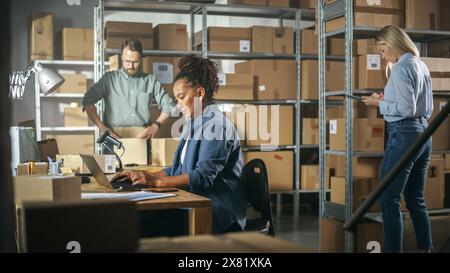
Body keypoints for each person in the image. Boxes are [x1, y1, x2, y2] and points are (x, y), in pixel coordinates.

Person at [112, 55, 247, 234]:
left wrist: (156, 182)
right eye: (176, 99)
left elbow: (203, 177)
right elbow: (177, 169)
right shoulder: (193, 123)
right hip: (193, 200)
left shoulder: (216, 126)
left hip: (216, 210)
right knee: (131, 218)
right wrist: (142, 175)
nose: (178, 105)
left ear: (200, 93)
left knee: (137, 223)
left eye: (181, 97)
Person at [362, 25, 433, 253]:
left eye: (382, 50)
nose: (382, 56)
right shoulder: (420, 65)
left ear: (392, 44)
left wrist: (378, 104)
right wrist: (387, 98)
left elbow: (406, 107)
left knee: (388, 198)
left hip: (403, 134)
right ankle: (425, 248)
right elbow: (420, 106)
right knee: (415, 199)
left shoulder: (401, 68)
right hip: (423, 133)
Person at [82, 38, 176, 140]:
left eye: (135, 62)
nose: (131, 66)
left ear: (141, 59)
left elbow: (169, 106)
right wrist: (101, 127)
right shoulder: (109, 79)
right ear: (122, 57)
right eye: (127, 61)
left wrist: (156, 125)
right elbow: (87, 101)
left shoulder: (151, 81)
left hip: (142, 139)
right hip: (114, 138)